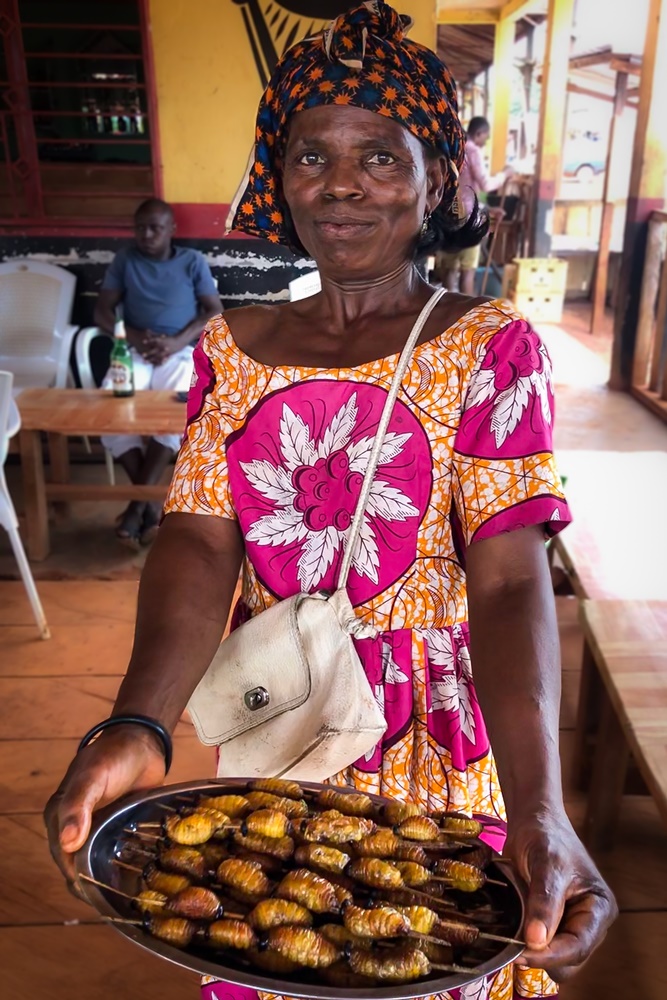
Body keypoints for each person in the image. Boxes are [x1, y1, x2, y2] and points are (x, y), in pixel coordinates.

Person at [45, 5, 616, 1000]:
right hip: (284, 721)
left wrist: (541, 804)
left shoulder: (489, 347)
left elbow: (511, 575)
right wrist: (138, 719)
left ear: (435, 177)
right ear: (279, 173)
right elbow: (194, 535)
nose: (341, 184)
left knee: (424, 946)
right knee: (267, 939)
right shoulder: (233, 349)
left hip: (438, 731)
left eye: (379, 158)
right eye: (311, 155)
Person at [95, 197, 222, 548]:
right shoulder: (126, 260)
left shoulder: (191, 262)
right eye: (140, 228)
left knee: (177, 408)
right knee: (112, 406)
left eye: (154, 228)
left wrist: (174, 341)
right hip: (134, 349)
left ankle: (137, 508)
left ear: (171, 230)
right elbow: (102, 312)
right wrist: (135, 337)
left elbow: (214, 312)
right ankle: (152, 506)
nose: (146, 234)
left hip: (178, 350)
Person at [436, 116, 513, 295]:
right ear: (478, 133)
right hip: (469, 220)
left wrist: (487, 208)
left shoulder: (451, 152)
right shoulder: (473, 151)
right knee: (467, 272)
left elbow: (462, 191)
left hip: (448, 215)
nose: (485, 141)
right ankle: (467, 319)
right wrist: (505, 175)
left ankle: (448, 315)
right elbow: (485, 184)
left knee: (450, 269)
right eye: (485, 137)